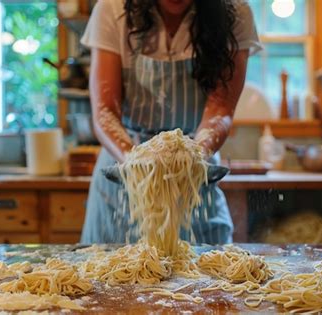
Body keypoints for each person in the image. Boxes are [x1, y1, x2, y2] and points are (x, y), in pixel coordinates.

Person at [80, 0, 261, 244]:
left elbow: (221, 109)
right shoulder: (113, 9)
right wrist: (136, 162)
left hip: (195, 175)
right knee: (113, 277)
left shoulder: (236, 13)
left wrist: (193, 157)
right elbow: (105, 111)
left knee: (209, 277)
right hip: (123, 176)